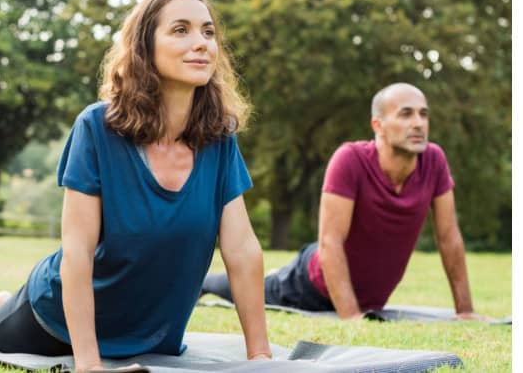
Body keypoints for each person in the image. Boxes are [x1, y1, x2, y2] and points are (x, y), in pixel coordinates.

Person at [0, 0, 272, 372]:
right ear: (144, 47)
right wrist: (88, 364)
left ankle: (3, 301)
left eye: (208, 31)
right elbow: (77, 253)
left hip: (150, 331)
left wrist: (261, 357)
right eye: (180, 30)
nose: (201, 43)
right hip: (58, 322)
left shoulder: (218, 139)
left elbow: (242, 250)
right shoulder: (97, 128)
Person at [202, 82, 480, 320]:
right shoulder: (350, 159)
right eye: (406, 114)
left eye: (423, 114)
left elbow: (449, 237)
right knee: (249, 290)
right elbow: (330, 242)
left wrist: (465, 311)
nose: (418, 123)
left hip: (368, 298)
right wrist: (351, 317)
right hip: (310, 286)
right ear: (378, 125)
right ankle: (202, 283)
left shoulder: (434, 160)